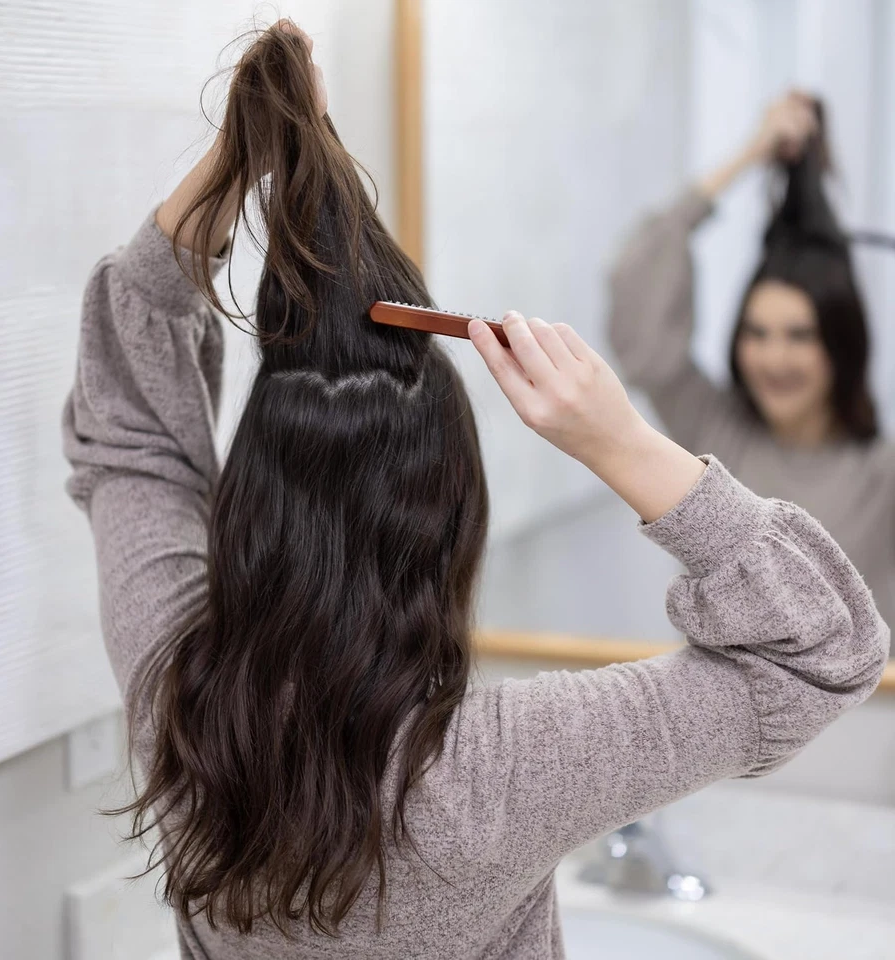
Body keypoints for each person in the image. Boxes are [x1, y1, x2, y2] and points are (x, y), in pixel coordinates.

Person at [62, 27, 888, 960]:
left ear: (248, 508)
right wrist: (616, 441)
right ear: (450, 519)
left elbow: (129, 424)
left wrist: (241, 161)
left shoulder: (178, 703)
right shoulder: (506, 767)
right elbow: (825, 656)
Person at [608, 90, 895, 630]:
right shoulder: (711, 430)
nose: (773, 357)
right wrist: (748, 155)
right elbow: (637, 290)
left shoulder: (883, 477)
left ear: (841, 343)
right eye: (756, 333)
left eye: (799, 335)